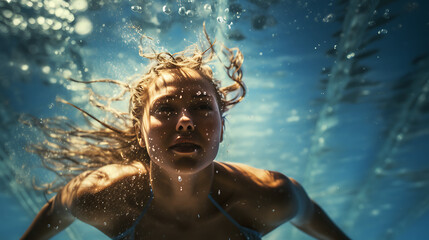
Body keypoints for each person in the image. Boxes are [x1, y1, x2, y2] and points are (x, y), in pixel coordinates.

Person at [21, 32, 350, 240]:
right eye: (165, 109)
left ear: (222, 129)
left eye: (201, 107)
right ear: (140, 131)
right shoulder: (101, 196)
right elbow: (58, 209)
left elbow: (307, 214)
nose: (184, 122)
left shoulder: (269, 197)